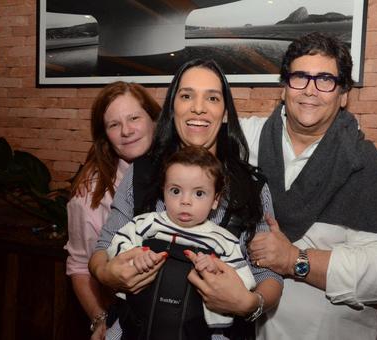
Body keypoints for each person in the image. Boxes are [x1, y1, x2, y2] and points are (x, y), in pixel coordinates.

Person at [241, 32, 377, 340]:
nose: (310, 91)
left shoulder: (362, 164)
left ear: (343, 94)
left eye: (325, 80)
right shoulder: (248, 141)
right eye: (300, 77)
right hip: (253, 327)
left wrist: (295, 260)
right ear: (284, 88)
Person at [89, 59, 282, 340]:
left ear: (225, 113)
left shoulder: (252, 187)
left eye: (212, 98)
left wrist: (249, 304)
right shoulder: (141, 174)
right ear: (172, 107)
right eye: (187, 95)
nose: (198, 107)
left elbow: (270, 276)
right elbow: (103, 249)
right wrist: (106, 274)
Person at [107, 146, 256, 338]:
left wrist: (216, 270)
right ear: (164, 192)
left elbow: (245, 283)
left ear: (215, 200)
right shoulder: (146, 224)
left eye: (199, 193)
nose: (185, 201)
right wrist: (135, 260)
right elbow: (115, 248)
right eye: (176, 191)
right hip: (136, 327)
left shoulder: (224, 241)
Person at [65, 81, 161, 339]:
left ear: (154, 120)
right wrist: (99, 319)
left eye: (134, 118)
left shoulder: (180, 170)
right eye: (114, 124)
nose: (127, 131)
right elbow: (80, 265)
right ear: (105, 135)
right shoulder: (90, 195)